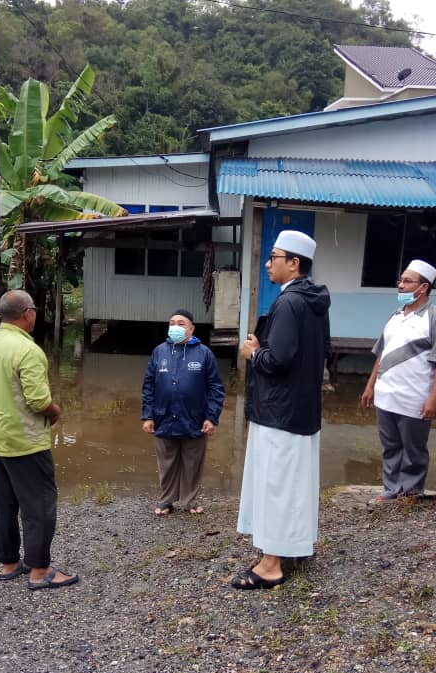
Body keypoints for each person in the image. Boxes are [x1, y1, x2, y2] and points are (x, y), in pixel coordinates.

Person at [234, 230, 330, 590]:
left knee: (275, 484)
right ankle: (291, 546)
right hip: (301, 409)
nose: (268, 263)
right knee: (294, 484)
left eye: (274, 257)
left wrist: (254, 353)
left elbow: (281, 358)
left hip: (280, 412)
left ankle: (272, 564)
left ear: (294, 263)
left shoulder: (290, 303)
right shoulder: (314, 301)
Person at [0, 290, 78, 591]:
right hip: (25, 440)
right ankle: (40, 570)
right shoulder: (27, 350)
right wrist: (55, 411)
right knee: (39, 505)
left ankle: (8, 563)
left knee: (4, 502)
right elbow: (37, 400)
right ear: (27, 313)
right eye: (34, 309)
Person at [361, 259, 436, 502]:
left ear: (423, 287)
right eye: (400, 281)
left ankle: (411, 493)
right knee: (390, 447)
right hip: (386, 396)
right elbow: (383, 353)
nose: (400, 286)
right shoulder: (395, 316)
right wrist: (371, 386)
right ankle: (392, 491)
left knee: (413, 450)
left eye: (406, 281)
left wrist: (434, 399)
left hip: (414, 398)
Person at [141, 308, 225, 516]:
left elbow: (216, 388)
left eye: (181, 323)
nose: (175, 327)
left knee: (192, 462)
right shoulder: (160, 352)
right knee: (167, 463)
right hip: (163, 417)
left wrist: (211, 417)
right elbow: (149, 385)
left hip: (195, 419)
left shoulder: (204, 353)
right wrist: (148, 415)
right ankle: (166, 500)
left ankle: (189, 500)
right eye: (172, 323)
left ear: (191, 328)